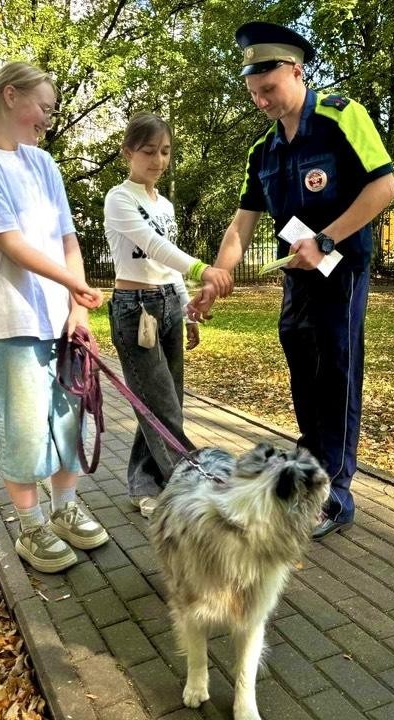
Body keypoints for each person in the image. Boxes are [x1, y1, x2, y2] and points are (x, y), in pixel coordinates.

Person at [188, 22, 394, 539]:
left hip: (341, 271)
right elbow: (242, 223)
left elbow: (384, 189)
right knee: (304, 373)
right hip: (297, 279)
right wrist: (219, 274)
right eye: (254, 93)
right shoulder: (263, 152)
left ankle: (338, 493)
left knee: (338, 372)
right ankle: (310, 476)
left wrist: (326, 240)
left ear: (296, 71)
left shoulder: (341, 117)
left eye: (269, 89)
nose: (261, 101)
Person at [0, 61, 109, 573]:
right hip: (9, 319)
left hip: (59, 319)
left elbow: (67, 240)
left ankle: (65, 510)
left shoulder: (45, 165)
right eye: (44, 106)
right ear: (12, 96)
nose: (47, 118)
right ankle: (30, 525)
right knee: (23, 429)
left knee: (68, 420)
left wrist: (74, 307)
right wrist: (74, 286)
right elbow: (10, 244)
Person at [103, 113, 233, 518]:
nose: (158, 161)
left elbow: (167, 266)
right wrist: (203, 270)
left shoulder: (166, 203)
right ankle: (193, 486)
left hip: (169, 304)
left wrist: (188, 308)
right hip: (134, 309)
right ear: (128, 152)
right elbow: (152, 245)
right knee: (160, 405)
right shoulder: (119, 198)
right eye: (148, 152)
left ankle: (146, 485)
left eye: (165, 151)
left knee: (165, 401)